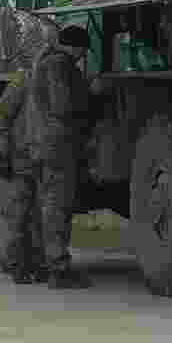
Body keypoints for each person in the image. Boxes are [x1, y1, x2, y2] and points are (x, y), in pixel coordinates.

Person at [27, 24, 103, 289]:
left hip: (42, 145)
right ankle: (59, 268)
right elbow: (63, 105)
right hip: (58, 146)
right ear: (77, 47)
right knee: (58, 206)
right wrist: (92, 94)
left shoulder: (43, 62)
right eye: (82, 51)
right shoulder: (59, 65)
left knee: (47, 205)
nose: (82, 57)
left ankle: (44, 263)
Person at [0, 68, 48, 284]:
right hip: (22, 158)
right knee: (20, 214)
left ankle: (40, 264)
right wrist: (3, 152)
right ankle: (19, 265)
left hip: (43, 160)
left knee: (41, 215)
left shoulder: (48, 78)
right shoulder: (25, 80)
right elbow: (1, 116)